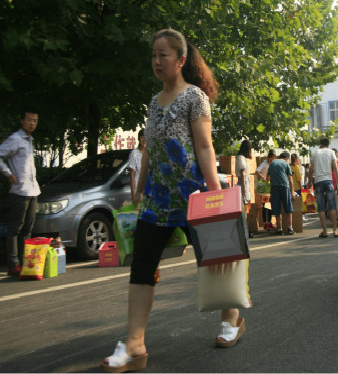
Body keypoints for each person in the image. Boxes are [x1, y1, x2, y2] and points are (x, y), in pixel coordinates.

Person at [101, 29, 244, 373]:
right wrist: (139, 192)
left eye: (162, 54)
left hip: (194, 195)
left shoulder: (195, 97)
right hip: (157, 200)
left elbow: (205, 147)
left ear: (180, 60)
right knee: (142, 266)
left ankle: (232, 317)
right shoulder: (154, 102)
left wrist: (215, 193)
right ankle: (135, 343)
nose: (156, 60)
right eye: (153, 54)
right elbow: (148, 150)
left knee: (213, 260)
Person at [0, 109, 41, 276]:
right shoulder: (15, 139)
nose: (32, 123)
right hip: (19, 190)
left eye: (35, 121)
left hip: (33, 190)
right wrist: (8, 174)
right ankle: (13, 264)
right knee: (15, 229)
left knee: (28, 229)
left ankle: (26, 262)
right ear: (22, 121)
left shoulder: (30, 140)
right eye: (29, 120)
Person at [307, 138, 338, 238]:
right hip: (328, 181)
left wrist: (309, 182)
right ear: (328, 145)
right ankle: (335, 231)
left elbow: (311, 169)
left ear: (320, 144)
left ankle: (325, 231)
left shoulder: (315, 153)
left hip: (318, 182)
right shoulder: (331, 152)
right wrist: (337, 182)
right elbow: (335, 168)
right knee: (332, 206)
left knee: (321, 208)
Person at [266, 152, 297, 235]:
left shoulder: (272, 163)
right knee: (288, 207)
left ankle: (279, 229)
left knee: (276, 208)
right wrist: (292, 192)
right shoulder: (286, 164)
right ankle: (290, 228)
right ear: (287, 158)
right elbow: (290, 180)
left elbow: (267, 178)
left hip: (274, 187)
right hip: (284, 186)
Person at [235, 140, 253, 237]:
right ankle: (245, 231)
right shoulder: (240, 158)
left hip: (245, 182)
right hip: (243, 183)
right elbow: (242, 173)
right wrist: (244, 189)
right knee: (244, 208)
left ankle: (246, 230)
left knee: (246, 208)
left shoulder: (242, 157)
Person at [256, 150, 276, 231]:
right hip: (264, 187)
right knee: (265, 205)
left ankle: (270, 222)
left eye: (273, 159)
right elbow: (257, 171)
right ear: (268, 157)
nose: (272, 160)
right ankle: (265, 223)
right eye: (271, 158)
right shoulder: (264, 163)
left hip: (271, 186)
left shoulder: (273, 164)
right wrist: (263, 177)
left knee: (270, 205)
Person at [128, 129, 147, 203]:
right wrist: (133, 196)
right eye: (142, 137)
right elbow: (132, 175)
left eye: (146, 137)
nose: (144, 140)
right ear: (139, 139)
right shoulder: (134, 153)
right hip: (138, 189)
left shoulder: (150, 153)